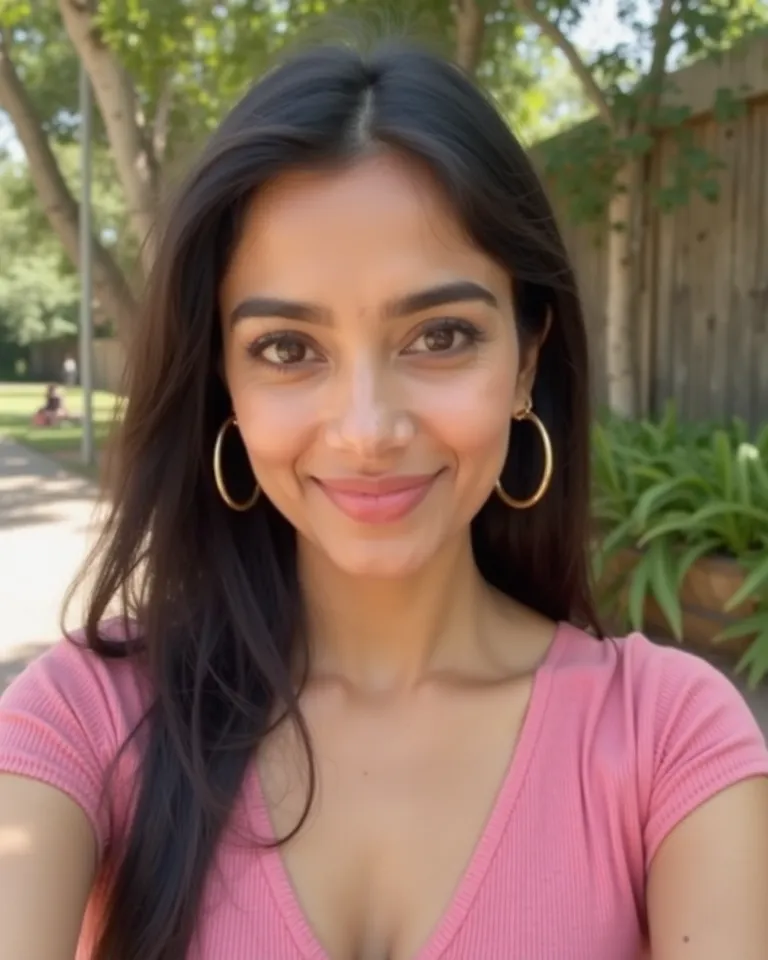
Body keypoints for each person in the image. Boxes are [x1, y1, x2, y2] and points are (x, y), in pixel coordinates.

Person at [1, 42, 767, 960]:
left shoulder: (669, 741)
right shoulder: (83, 719)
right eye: (288, 348)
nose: (367, 430)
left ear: (526, 358)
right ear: (226, 388)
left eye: (439, 335)